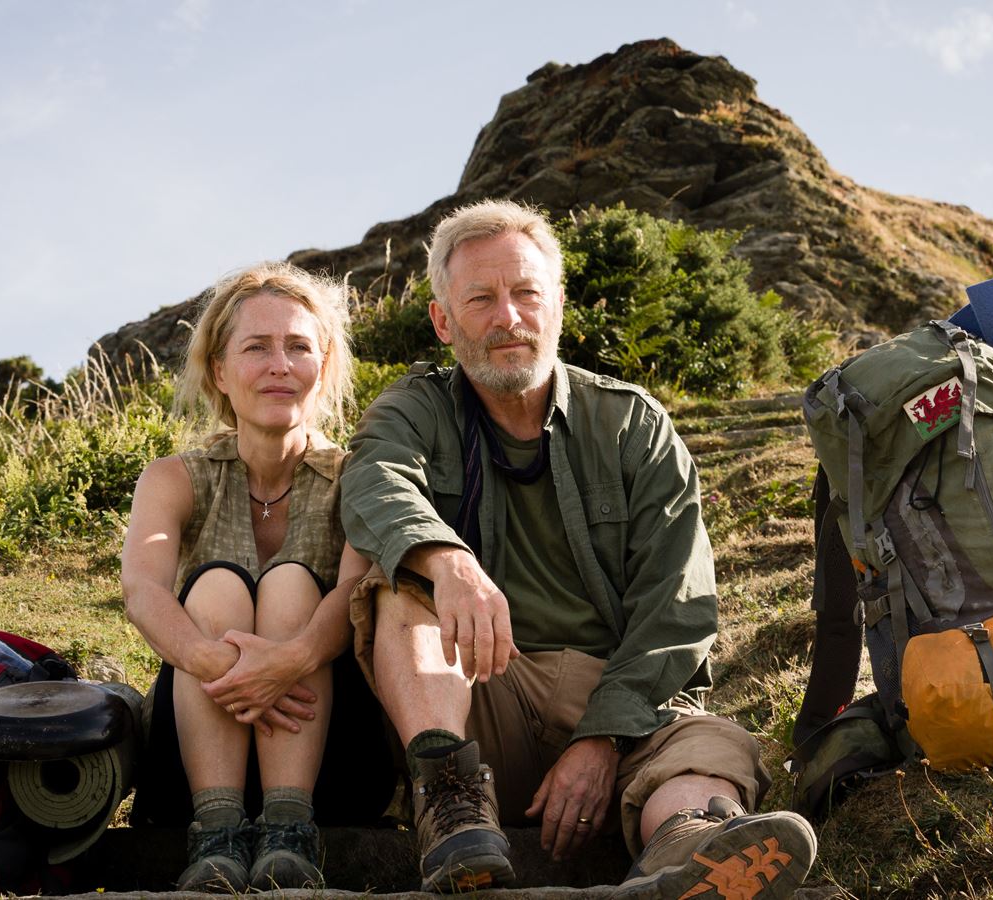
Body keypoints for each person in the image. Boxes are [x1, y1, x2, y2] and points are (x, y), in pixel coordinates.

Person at [340, 199, 819, 897]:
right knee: (397, 589)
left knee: (711, 747)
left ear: (559, 304)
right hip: (476, 698)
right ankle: (451, 808)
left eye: (526, 293)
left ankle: (683, 851)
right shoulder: (415, 410)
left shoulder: (631, 424)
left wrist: (601, 737)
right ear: (443, 321)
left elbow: (676, 608)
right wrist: (447, 561)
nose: (509, 318)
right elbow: (372, 480)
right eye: (481, 299)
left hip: (621, 705)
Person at [121, 262, 391, 892]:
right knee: (217, 586)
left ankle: (290, 829)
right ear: (219, 370)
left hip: (330, 761)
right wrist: (221, 666)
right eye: (256, 348)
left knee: (292, 586)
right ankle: (216, 832)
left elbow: (352, 593)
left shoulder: (357, 477)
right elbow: (143, 590)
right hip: (197, 759)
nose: (280, 366)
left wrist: (289, 661)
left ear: (323, 364)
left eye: (299, 346)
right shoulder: (174, 477)